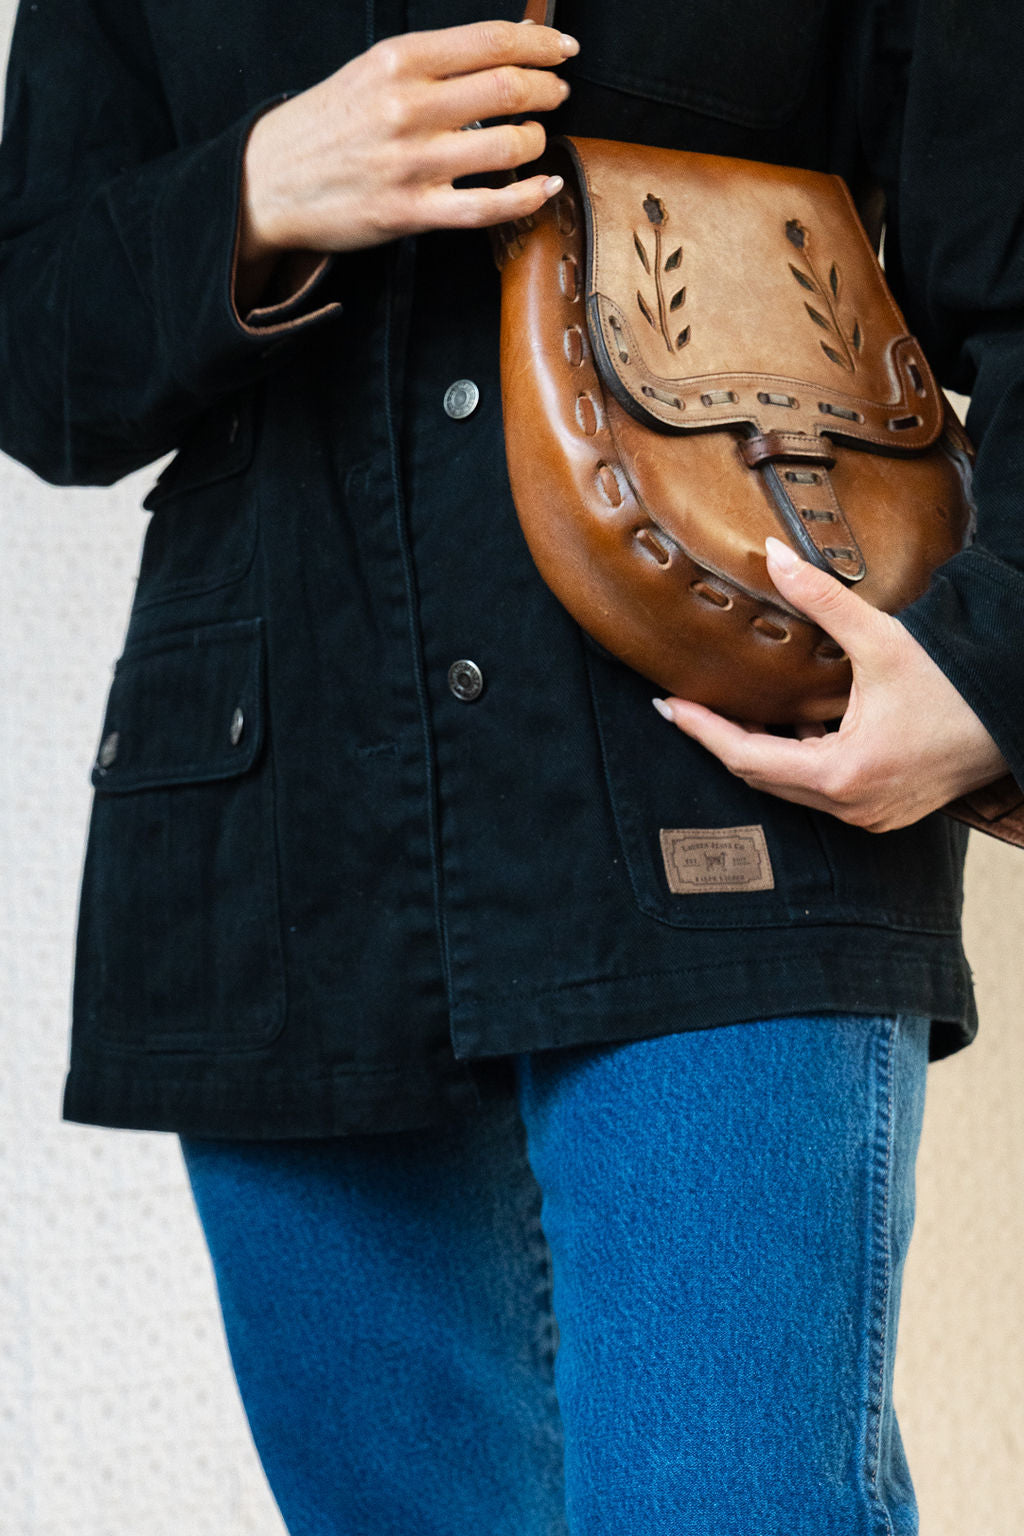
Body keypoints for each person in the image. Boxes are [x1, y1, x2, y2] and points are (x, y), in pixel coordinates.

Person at [0, 1, 1021, 1531]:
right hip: (282, 841)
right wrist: (262, 186)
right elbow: (33, 354)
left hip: (728, 783)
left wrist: (991, 669)